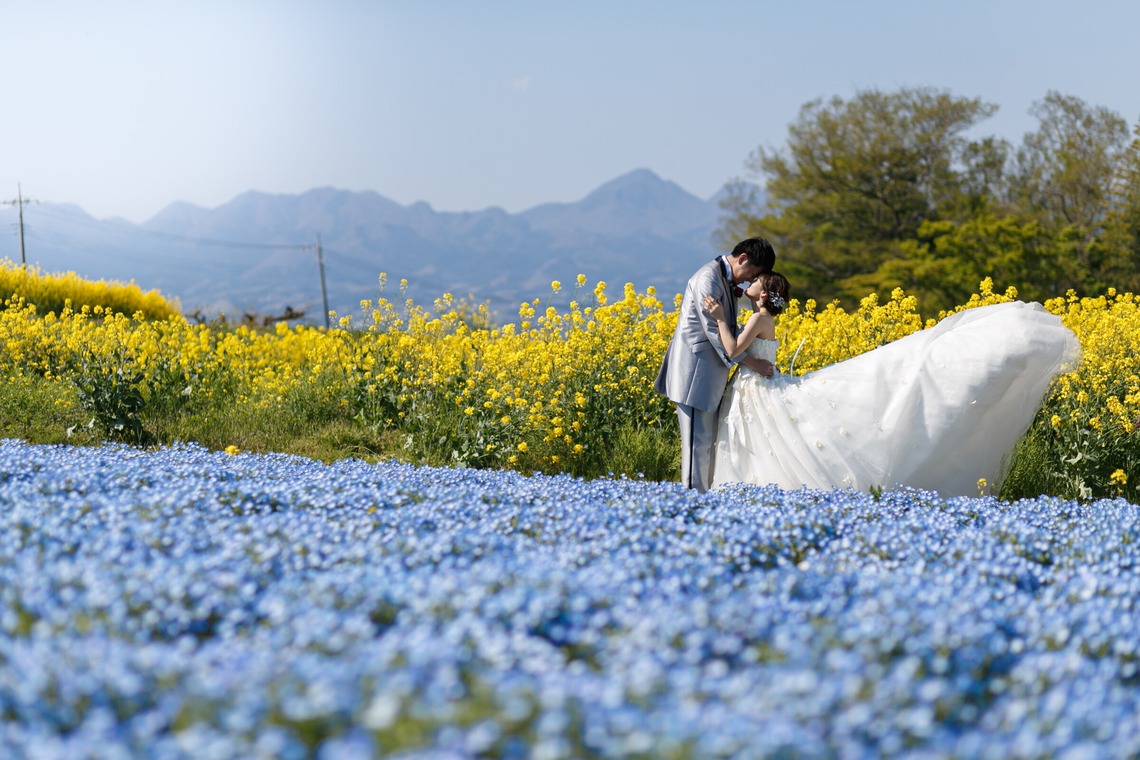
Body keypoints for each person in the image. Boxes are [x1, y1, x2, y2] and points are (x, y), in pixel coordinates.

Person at [703, 273, 1082, 496]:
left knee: (762, 443)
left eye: (756, 283)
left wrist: (720, 317)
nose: (749, 284)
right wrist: (752, 359)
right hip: (757, 381)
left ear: (766, 295)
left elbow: (733, 347)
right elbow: (748, 355)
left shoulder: (759, 318)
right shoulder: (765, 317)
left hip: (757, 387)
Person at [654, 237, 776, 492]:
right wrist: (752, 362)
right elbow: (713, 330)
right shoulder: (708, 278)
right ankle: (692, 502)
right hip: (694, 372)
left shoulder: (724, 278)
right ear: (742, 258)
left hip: (708, 373)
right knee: (695, 444)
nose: (747, 280)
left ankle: (703, 500)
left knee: (705, 442)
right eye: (751, 274)